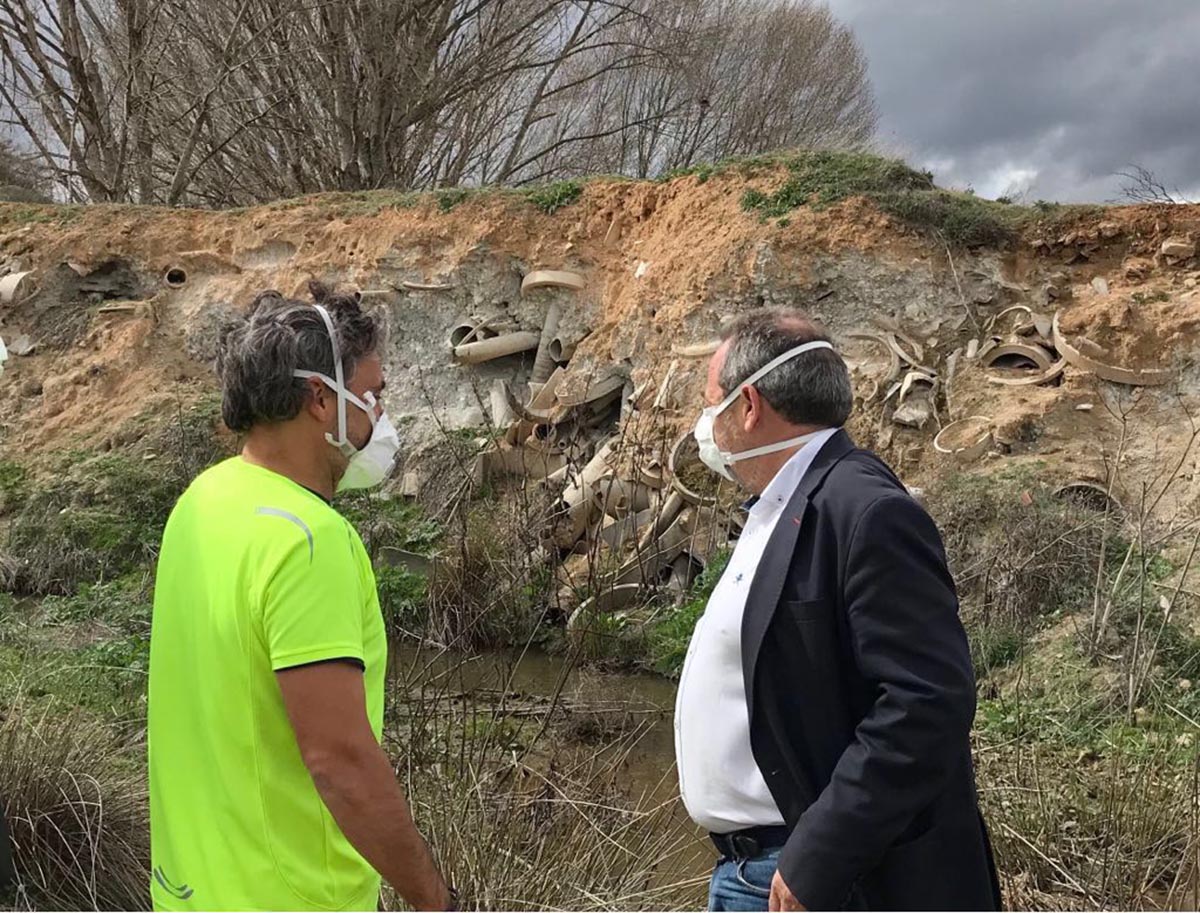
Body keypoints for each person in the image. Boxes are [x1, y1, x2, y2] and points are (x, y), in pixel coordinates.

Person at [674, 307, 1000, 911]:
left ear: (748, 407)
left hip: (818, 878)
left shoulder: (866, 511)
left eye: (710, 401)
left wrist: (820, 853)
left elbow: (925, 703)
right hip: (757, 867)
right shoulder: (781, 506)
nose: (704, 423)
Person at [148, 284, 452, 911]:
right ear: (321, 399)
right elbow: (337, 759)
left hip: (189, 890)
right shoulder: (308, 541)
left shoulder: (202, 501)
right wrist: (433, 899)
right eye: (373, 395)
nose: (380, 418)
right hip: (291, 896)